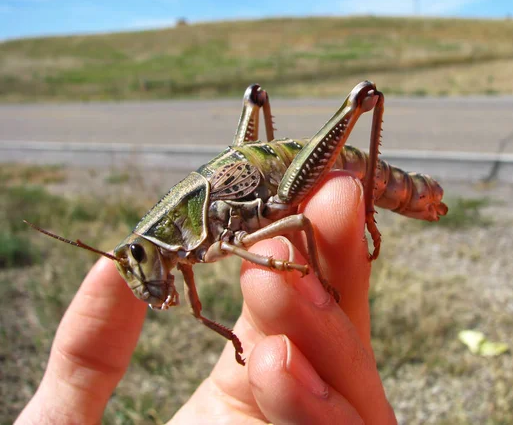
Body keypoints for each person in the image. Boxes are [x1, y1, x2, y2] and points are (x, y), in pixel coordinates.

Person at [16, 173, 396, 424]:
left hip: (290, 176)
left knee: (361, 99)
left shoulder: (191, 225)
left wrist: (269, 261)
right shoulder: (181, 256)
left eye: (136, 258)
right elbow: (198, 312)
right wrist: (232, 337)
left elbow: (295, 223)